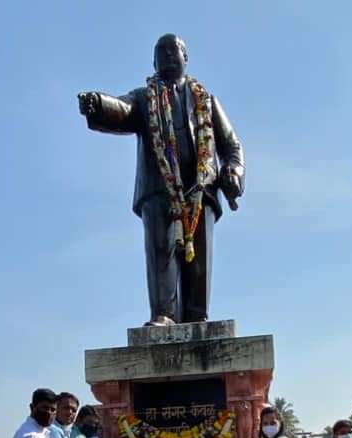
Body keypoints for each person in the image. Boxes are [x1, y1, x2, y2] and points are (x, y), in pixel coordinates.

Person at [78, 33, 245, 326]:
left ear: (186, 57)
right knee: (160, 253)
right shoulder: (145, 98)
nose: (168, 55)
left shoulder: (204, 100)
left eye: (175, 50)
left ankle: (197, 316)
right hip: (159, 189)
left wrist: (233, 171)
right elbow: (123, 109)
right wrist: (98, 103)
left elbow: (231, 145)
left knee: (199, 261)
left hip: (200, 190)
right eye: (161, 51)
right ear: (153, 61)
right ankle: (164, 313)